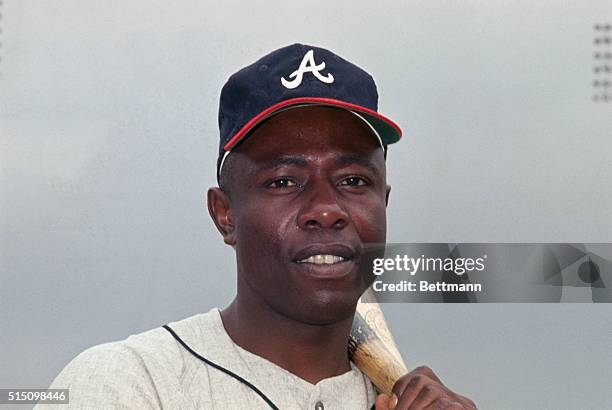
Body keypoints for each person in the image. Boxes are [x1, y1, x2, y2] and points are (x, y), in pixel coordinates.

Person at [41, 44, 476, 409]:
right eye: (284, 181)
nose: (326, 209)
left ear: (383, 204)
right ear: (224, 214)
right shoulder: (127, 382)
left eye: (353, 181)